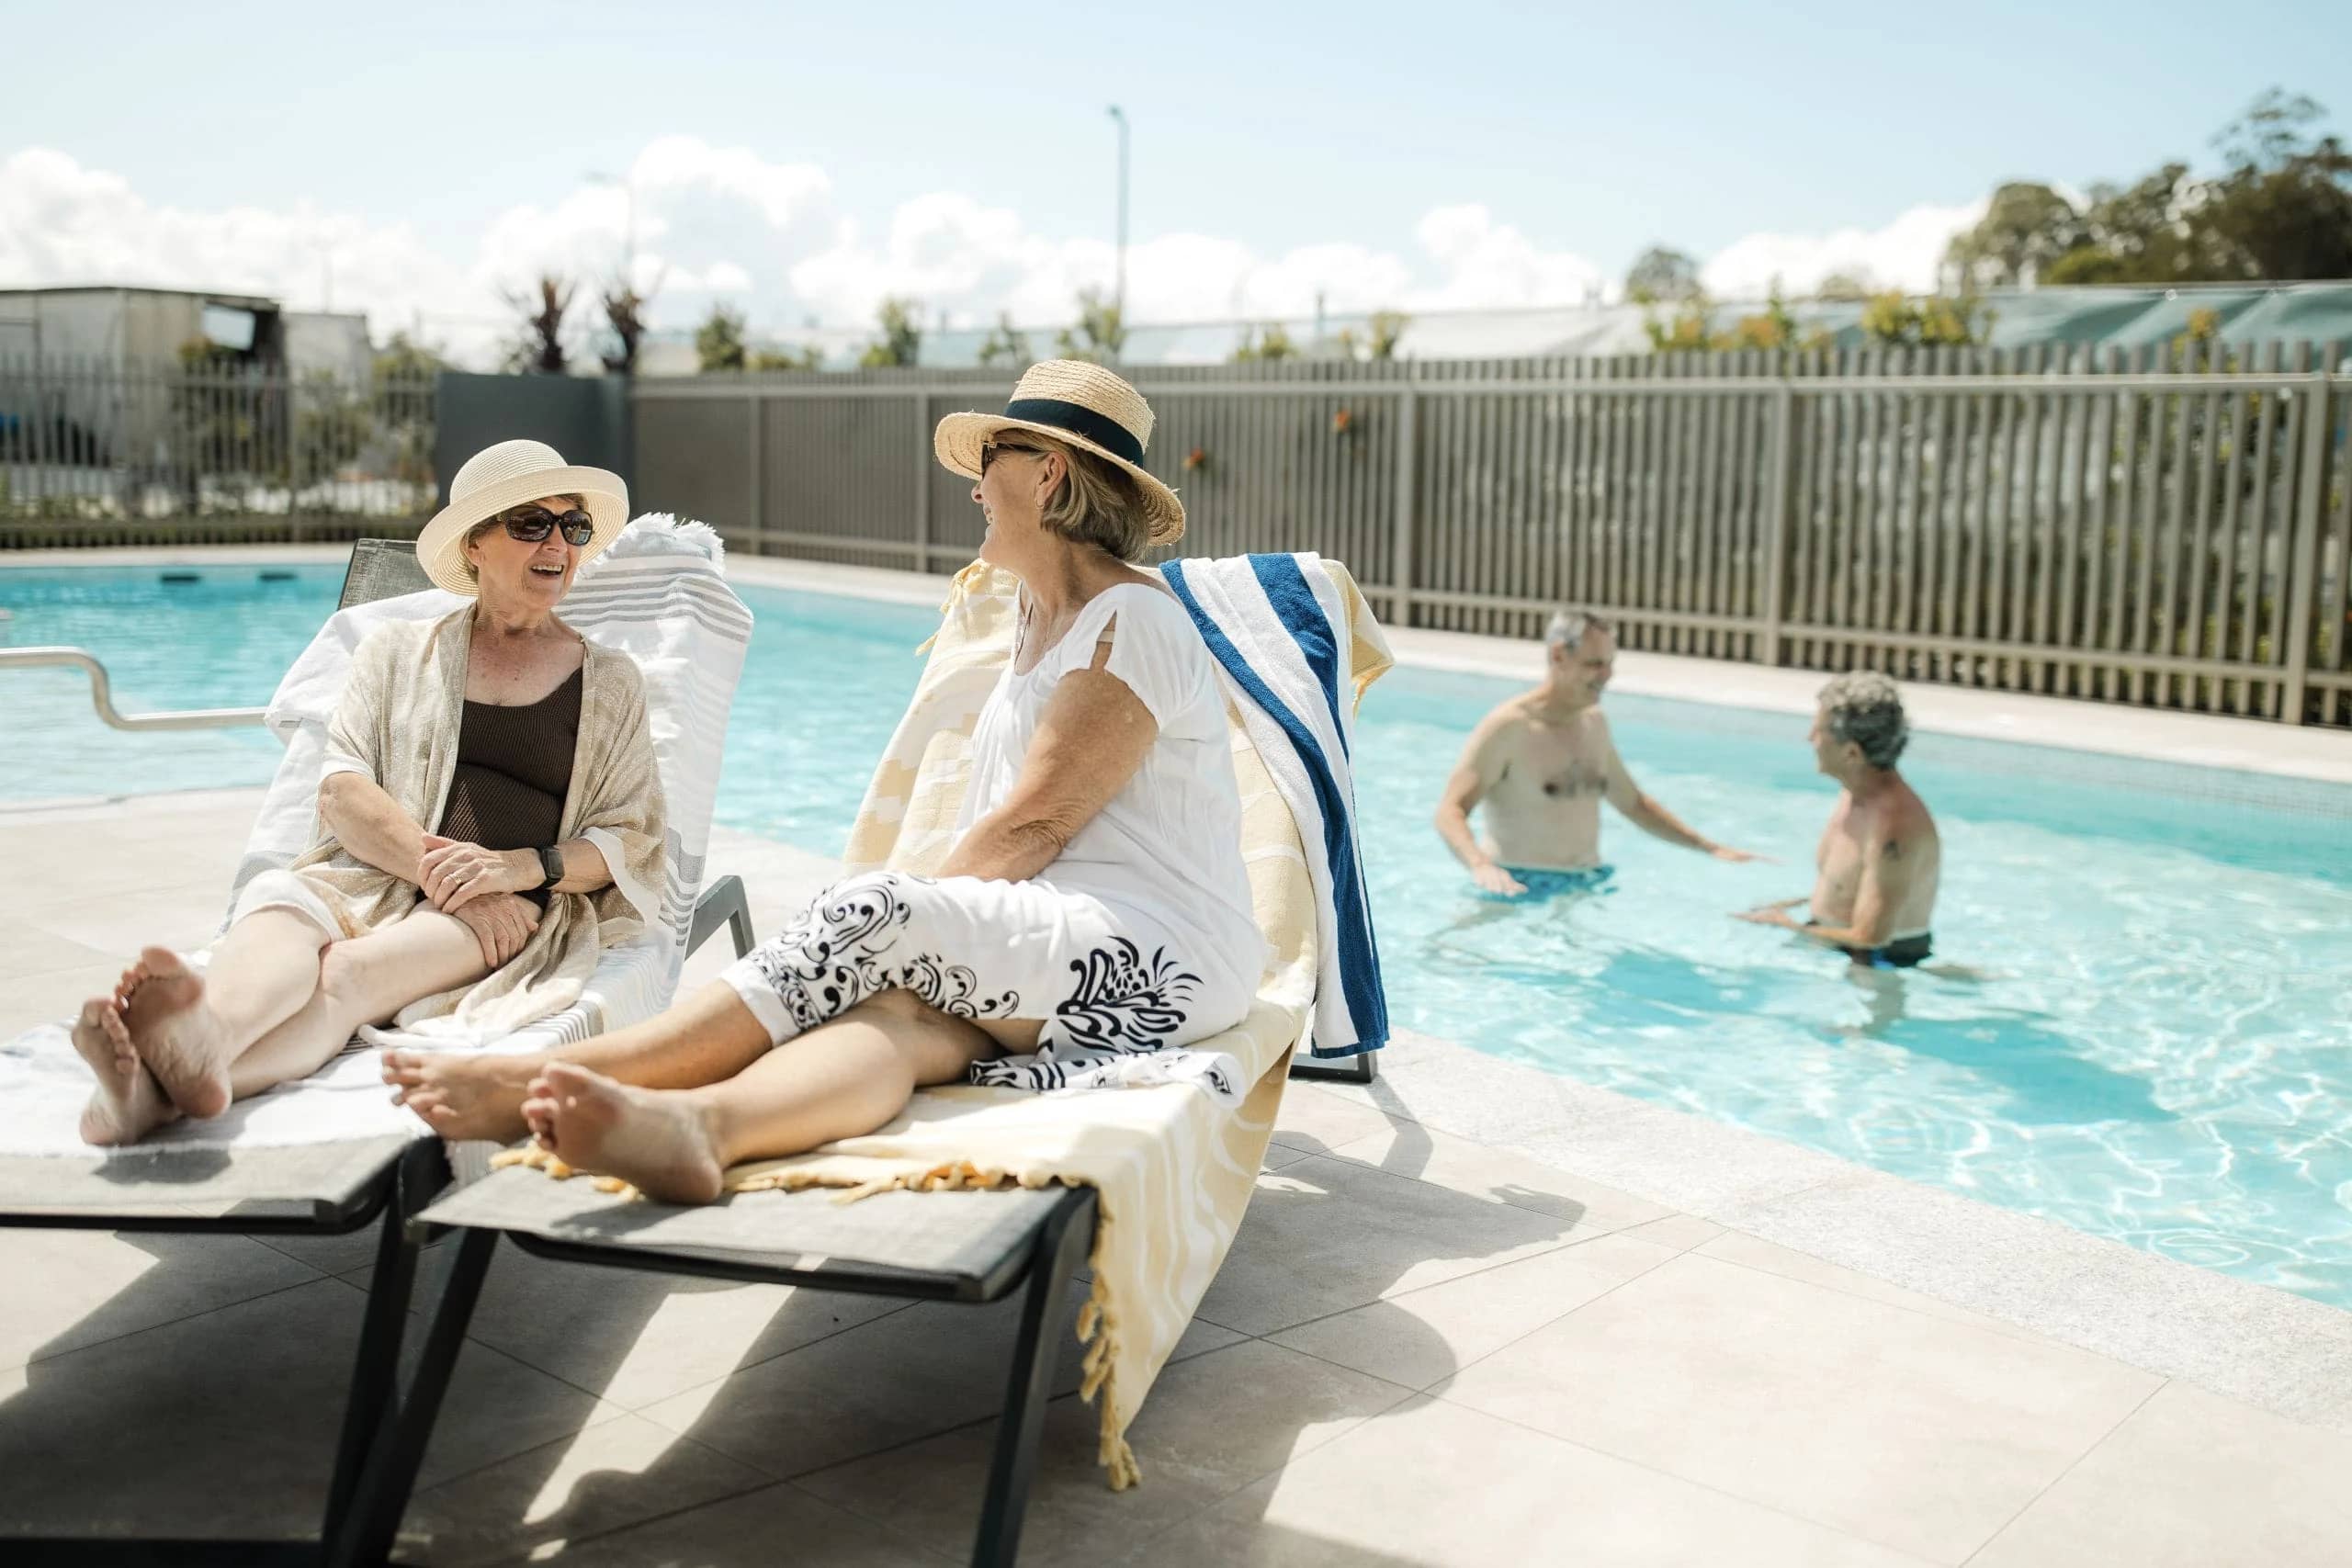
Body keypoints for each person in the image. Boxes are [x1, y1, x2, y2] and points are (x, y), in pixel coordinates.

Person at [385, 360, 1267, 1202]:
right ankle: (703, 1126)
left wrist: (899, 928)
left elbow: (1034, 827)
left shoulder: (1133, 619)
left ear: (1049, 476)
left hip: (1162, 948)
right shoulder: (1042, 618)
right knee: (898, 1019)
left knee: (873, 917)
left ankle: (531, 1077)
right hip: (1058, 937)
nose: (973, 486)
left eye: (991, 461)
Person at [70, 440, 667, 1145]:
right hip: (374, 872)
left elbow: (630, 840)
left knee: (346, 972)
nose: (558, 545)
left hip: (504, 912)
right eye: (533, 523)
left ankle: (150, 1095)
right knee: (281, 911)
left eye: (574, 528)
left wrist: (517, 868)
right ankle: (191, 1052)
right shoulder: (392, 652)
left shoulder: (611, 682)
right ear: (475, 544)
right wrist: (441, 872)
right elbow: (341, 790)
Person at [1433, 607, 1760, 898]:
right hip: (1518, 886)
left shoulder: (1594, 723)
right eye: (1594, 664)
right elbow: (1450, 810)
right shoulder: (1509, 727)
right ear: (1559, 656)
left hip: (1586, 883)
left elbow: (1634, 804)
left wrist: (1710, 848)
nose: (1607, 676)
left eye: (1609, 664)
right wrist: (1480, 865)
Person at [1736, 671, 1940, 967]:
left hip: (1877, 963)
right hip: (1833, 944)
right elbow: (1849, 885)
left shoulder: (1893, 828)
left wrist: (1783, 924)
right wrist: (1791, 909)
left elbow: (1872, 936)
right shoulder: (1855, 794)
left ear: (1851, 753)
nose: (1809, 739)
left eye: (1818, 732)